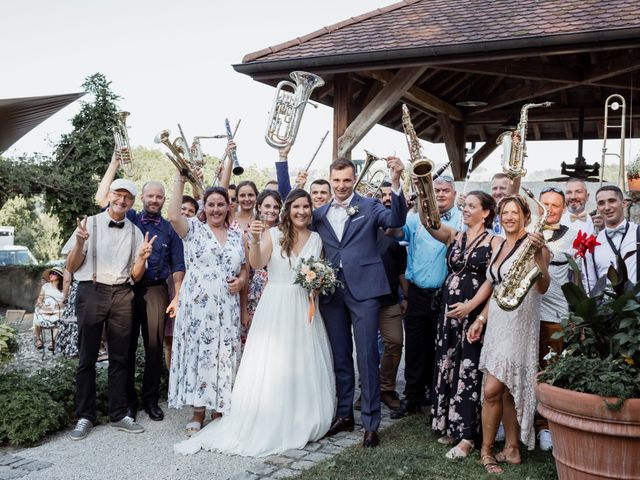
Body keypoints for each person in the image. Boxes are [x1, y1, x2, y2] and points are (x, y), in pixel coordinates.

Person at [174, 189, 336, 457]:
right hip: (276, 305)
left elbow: (316, 271)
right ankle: (268, 416)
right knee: (272, 363)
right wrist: (257, 240)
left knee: (301, 360)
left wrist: (318, 282)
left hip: (304, 306)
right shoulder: (273, 234)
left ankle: (301, 416)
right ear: (288, 209)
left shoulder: (316, 239)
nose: (302, 212)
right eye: (296, 207)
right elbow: (257, 263)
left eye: (306, 207)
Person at [312, 156, 407, 448]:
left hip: (365, 291)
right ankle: (344, 416)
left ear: (354, 179)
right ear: (330, 179)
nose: (341, 186)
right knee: (340, 357)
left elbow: (396, 220)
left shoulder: (370, 206)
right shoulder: (319, 213)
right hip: (331, 292)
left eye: (346, 180)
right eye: (336, 180)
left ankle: (370, 423)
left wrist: (395, 182)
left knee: (367, 356)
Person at [63, 178, 154, 441]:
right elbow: (70, 266)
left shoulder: (136, 232)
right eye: (118, 195)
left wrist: (142, 258)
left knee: (120, 358)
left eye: (127, 197)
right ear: (110, 195)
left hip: (122, 293)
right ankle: (85, 416)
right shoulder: (88, 224)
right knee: (86, 358)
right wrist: (80, 243)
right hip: (91, 290)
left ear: (132, 202)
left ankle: (117, 414)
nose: (122, 200)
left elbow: (136, 276)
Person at [467, 194, 550, 474]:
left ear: (526, 215)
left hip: (520, 323)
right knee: (505, 391)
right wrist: (480, 319)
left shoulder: (535, 243)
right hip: (498, 322)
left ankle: (486, 451)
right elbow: (496, 287)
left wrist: (538, 253)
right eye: (505, 212)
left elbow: (543, 287)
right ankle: (512, 449)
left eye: (515, 212)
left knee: (492, 389)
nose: (509, 217)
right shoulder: (500, 244)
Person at [96, 164, 186, 422]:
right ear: (142, 198)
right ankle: (128, 402)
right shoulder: (130, 217)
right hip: (126, 289)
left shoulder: (169, 229)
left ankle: (150, 400)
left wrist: (177, 295)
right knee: (124, 347)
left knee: (154, 348)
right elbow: (103, 199)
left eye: (159, 197)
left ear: (163, 200)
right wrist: (114, 163)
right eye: (150, 196)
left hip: (157, 291)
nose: (155, 200)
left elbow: (178, 266)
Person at [167, 173, 247, 435]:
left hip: (228, 305)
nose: (215, 209)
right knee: (201, 355)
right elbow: (173, 217)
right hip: (199, 306)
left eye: (220, 204)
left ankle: (220, 408)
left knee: (223, 355)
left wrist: (242, 281)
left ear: (228, 207)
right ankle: (198, 411)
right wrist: (179, 181)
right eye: (211, 204)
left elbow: (246, 268)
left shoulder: (237, 237)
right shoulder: (193, 230)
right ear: (204, 206)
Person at [424, 191, 498, 460]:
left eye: (471, 206)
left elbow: (493, 280)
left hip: (473, 312)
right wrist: (424, 196)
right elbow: (429, 222)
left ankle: (468, 434)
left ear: (486, 212)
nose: (465, 210)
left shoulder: (494, 241)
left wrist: (471, 307)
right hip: (449, 314)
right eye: (464, 206)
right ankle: (449, 425)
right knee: (448, 364)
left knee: (468, 370)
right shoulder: (455, 236)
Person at [387, 175, 461, 420]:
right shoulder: (413, 218)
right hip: (418, 292)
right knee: (416, 346)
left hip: (446, 294)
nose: (440, 194)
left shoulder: (461, 219)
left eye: (445, 190)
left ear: (454, 194)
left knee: (442, 346)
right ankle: (412, 396)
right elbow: (397, 234)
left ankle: (438, 395)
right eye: (435, 190)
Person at [534, 186, 577, 452]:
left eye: (555, 205)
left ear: (563, 208)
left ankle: (546, 426)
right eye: (545, 204)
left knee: (548, 373)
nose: (549, 209)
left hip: (554, 316)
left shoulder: (573, 236)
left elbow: (580, 279)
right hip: (525, 315)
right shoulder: (526, 233)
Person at [374, 181, 406, 410]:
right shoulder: (359, 235)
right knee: (366, 347)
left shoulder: (394, 237)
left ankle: (386, 387)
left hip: (390, 300)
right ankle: (368, 390)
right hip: (364, 300)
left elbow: (402, 270)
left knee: (394, 342)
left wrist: (406, 297)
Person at [242, 189, 282, 342]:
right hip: (256, 292)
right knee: (256, 338)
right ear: (259, 207)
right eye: (267, 206)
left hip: (278, 289)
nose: (271, 211)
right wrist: (244, 308)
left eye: (276, 207)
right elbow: (246, 270)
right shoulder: (249, 234)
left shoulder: (284, 233)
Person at [165, 195, 199, 371]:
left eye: (191, 211)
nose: (186, 213)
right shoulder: (165, 228)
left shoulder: (193, 233)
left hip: (188, 284)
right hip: (168, 284)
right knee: (168, 338)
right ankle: (170, 378)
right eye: (183, 209)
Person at [583, 185, 638, 292]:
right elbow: (590, 285)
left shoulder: (638, 233)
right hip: (605, 307)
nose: (607, 207)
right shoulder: (592, 244)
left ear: (624, 203)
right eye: (601, 203)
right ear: (598, 208)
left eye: (612, 201)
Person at [33, 266, 65, 350]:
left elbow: (66, 300)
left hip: (59, 309)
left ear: (59, 276)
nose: (50, 275)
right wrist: (42, 305)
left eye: (53, 273)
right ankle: (38, 339)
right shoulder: (45, 286)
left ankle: (54, 341)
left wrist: (59, 305)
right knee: (37, 314)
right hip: (46, 308)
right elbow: (40, 299)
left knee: (59, 319)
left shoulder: (65, 287)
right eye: (50, 273)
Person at [54, 270, 79, 357]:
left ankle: (72, 348)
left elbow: (67, 280)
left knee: (71, 320)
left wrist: (64, 298)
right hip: (93, 291)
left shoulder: (70, 261)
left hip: (77, 293)